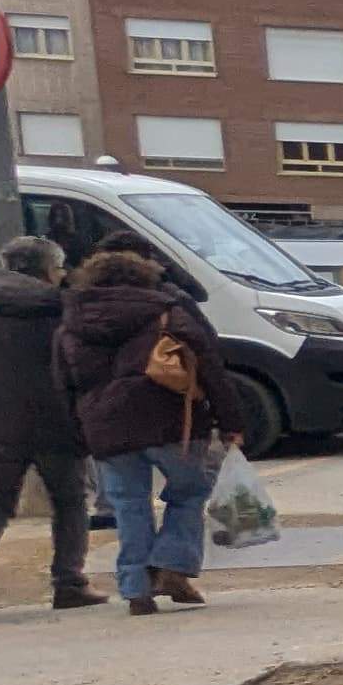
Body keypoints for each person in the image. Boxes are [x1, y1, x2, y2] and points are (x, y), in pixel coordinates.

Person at [57, 248, 247, 616]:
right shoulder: (168, 312)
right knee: (190, 492)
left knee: (129, 505)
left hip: (106, 427)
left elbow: (62, 383)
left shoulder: (71, 323)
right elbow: (210, 368)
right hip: (171, 421)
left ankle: (135, 590)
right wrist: (231, 422)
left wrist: (78, 433)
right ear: (145, 277)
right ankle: (172, 564)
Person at [0, 236, 100, 620]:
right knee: (70, 500)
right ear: (49, 269)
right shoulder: (63, 305)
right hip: (55, 418)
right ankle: (69, 583)